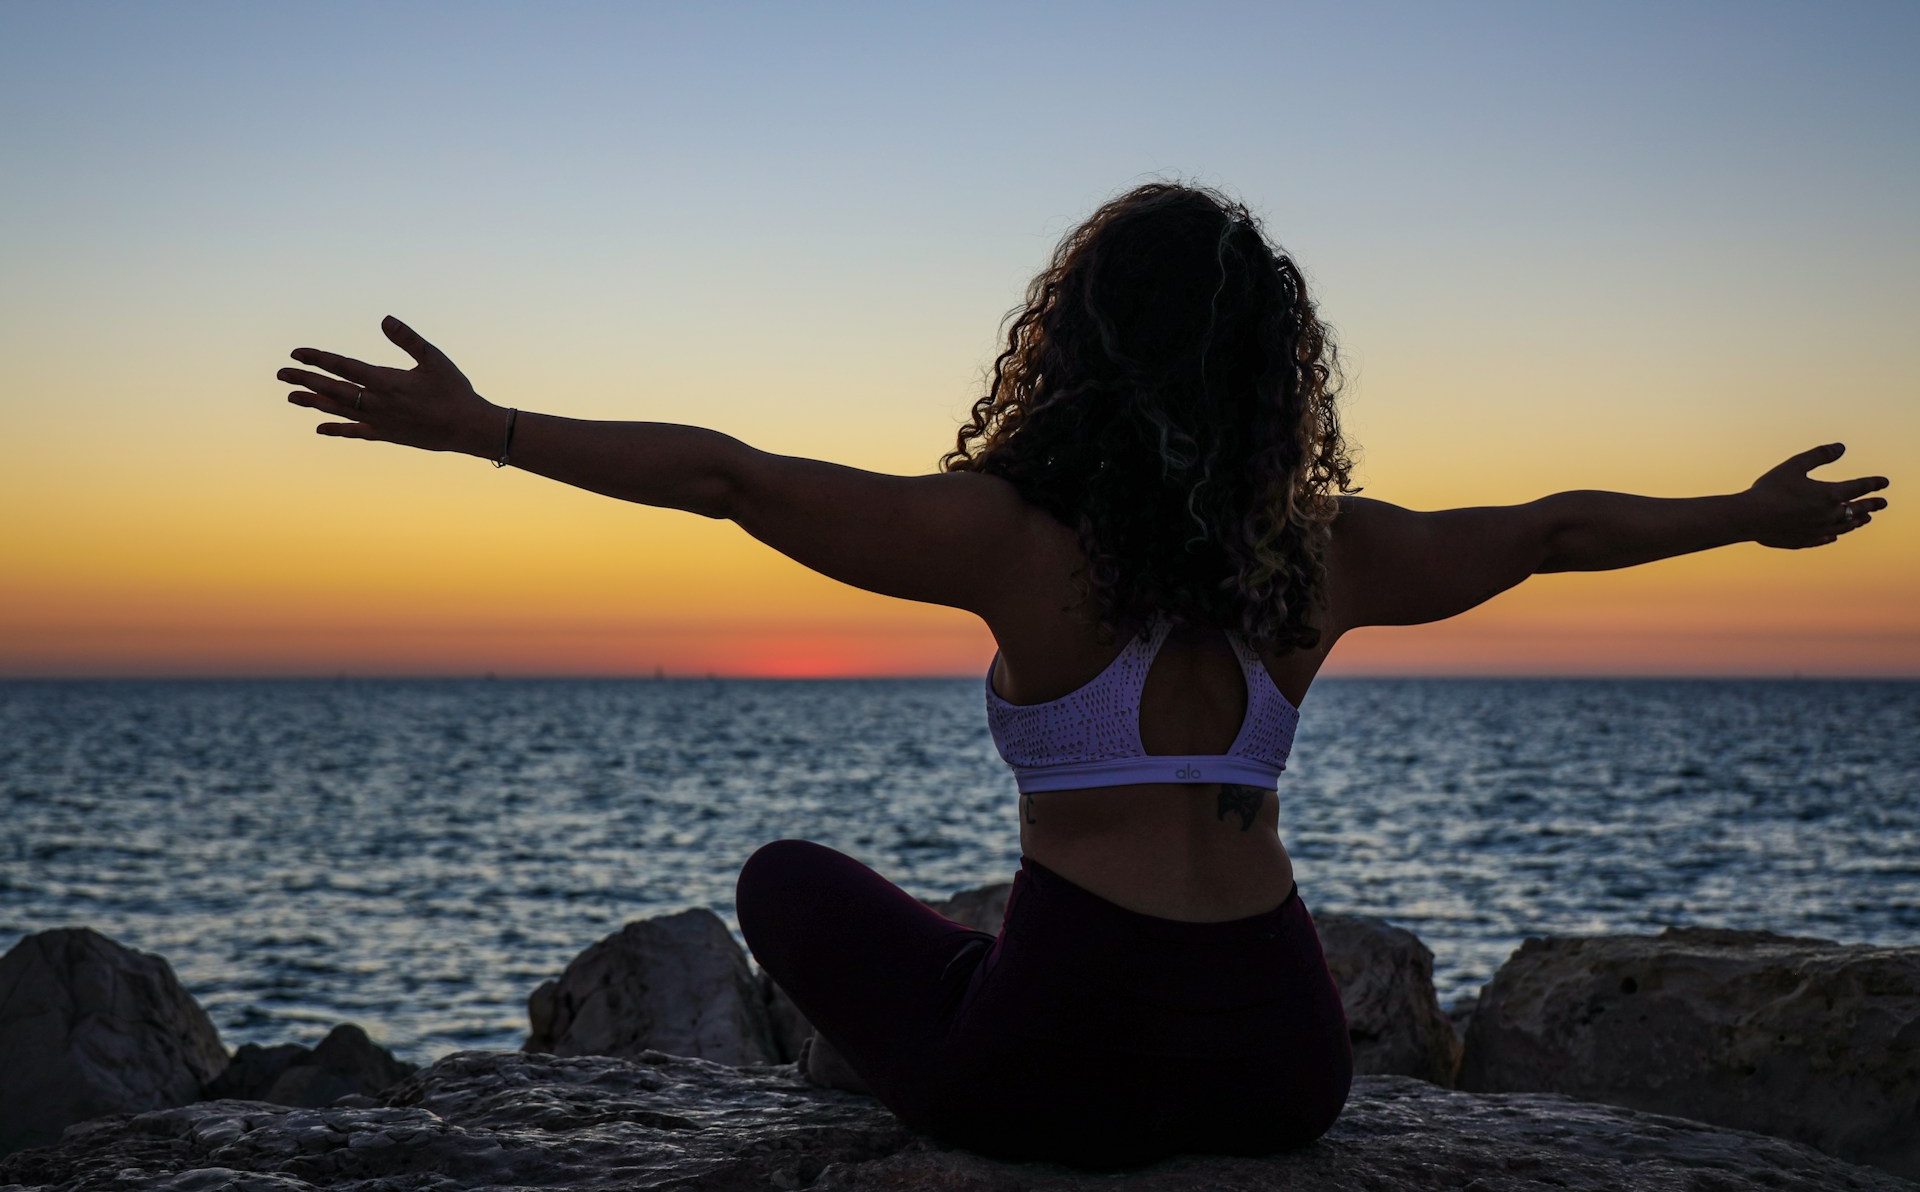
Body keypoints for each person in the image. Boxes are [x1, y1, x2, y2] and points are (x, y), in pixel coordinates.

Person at [277, 181, 1889, 1168]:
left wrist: (487, 430)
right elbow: (1551, 529)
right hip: (1285, 1062)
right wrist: (1748, 519)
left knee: (787, 876)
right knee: (959, 939)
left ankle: (932, 1038)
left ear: (1073, 346)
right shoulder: (1327, 557)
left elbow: (730, 475)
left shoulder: (1007, 540)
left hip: (1062, 1062)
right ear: (1274, 376)